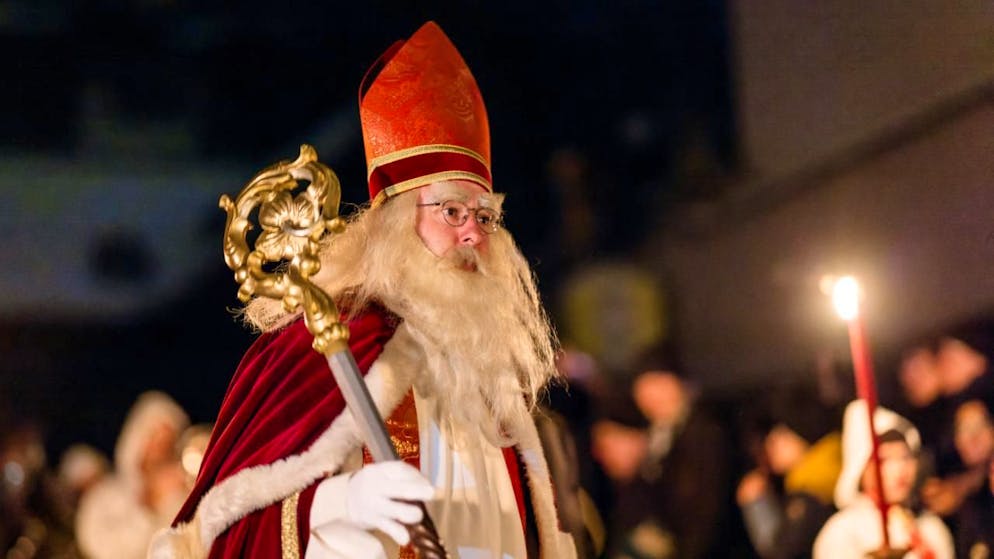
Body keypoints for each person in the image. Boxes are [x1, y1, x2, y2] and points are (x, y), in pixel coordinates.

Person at [151, 21, 578, 559]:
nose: (473, 232)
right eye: (451, 211)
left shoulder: (490, 375)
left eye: (485, 215)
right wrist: (336, 506)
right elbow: (225, 529)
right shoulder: (330, 346)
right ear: (400, 223)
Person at [812, 400, 954, 559]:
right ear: (861, 466)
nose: (900, 470)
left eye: (905, 457)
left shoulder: (930, 528)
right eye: (885, 459)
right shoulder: (843, 532)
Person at [76, 390, 190, 559]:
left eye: (168, 442)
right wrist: (151, 503)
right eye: (154, 440)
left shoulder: (181, 496)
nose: (161, 451)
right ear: (136, 440)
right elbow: (109, 551)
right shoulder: (101, 498)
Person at [736, 384, 842, 559]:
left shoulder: (811, 491)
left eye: (782, 434)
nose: (771, 443)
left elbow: (780, 551)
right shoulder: (824, 477)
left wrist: (757, 504)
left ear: (803, 437)